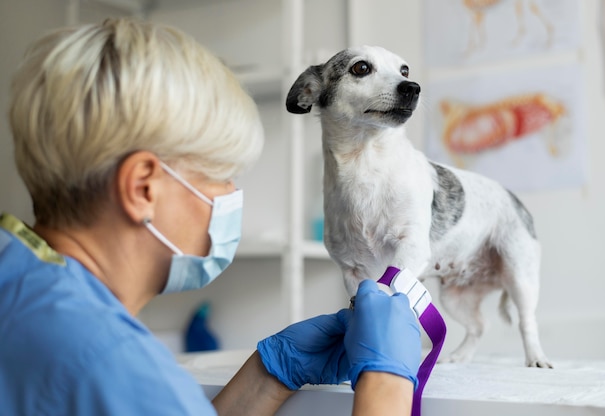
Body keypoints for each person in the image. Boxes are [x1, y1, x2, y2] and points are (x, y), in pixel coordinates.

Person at [0, 18, 422, 415]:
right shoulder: (111, 368)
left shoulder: (16, 280)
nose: (231, 195)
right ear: (143, 187)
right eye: (221, 175)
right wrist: (385, 383)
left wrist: (270, 371)